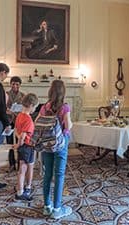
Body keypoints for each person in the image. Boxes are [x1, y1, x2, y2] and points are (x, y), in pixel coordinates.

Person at [38, 80, 73, 219]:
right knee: (59, 175)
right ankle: (57, 209)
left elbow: (38, 123)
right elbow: (68, 126)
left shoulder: (45, 107)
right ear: (63, 92)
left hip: (47, 143)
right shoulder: (65, 107)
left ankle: (47, 206)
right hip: (61, 142)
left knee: (47, 174)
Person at [14, 93, 38, 201]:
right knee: (25, 169)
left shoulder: (19, 115)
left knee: (21, 169)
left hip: (23, 147)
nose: (35, 109)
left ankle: (22, 188)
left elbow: (16, 131)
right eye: (35, 107)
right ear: (31, 105)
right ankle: (21, 192)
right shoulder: (28, 120)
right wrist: (19, 144)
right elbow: (23, 136)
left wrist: (18, 144)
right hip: (27, 147)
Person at [6, 76, 25, 171]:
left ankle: (20, 163)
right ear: (10, 84)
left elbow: (26, 109)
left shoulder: (23, 95)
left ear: (20, 85)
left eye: (17, 84)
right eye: (13, 84)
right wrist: (7, 110)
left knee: (20, 142)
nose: (15, 86)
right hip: (8, 121)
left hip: (19, 121)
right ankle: (11, 164)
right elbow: (2, 107)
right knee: (9, 143)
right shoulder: (6, 94)